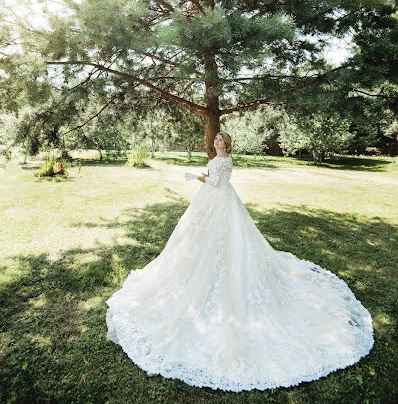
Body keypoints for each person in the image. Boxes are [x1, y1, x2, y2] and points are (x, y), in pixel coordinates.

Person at [105, 131, 374, 392]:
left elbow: (216, 183)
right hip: (210, 202)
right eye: (215, 139)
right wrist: (204, 176)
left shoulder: (225, 160)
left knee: (228, 242)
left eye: (220, 139)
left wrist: (197, 176)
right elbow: (213, 179)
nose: (216, 141)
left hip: (220, 201)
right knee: (196, 239)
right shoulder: (216, 159)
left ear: (227, 144)